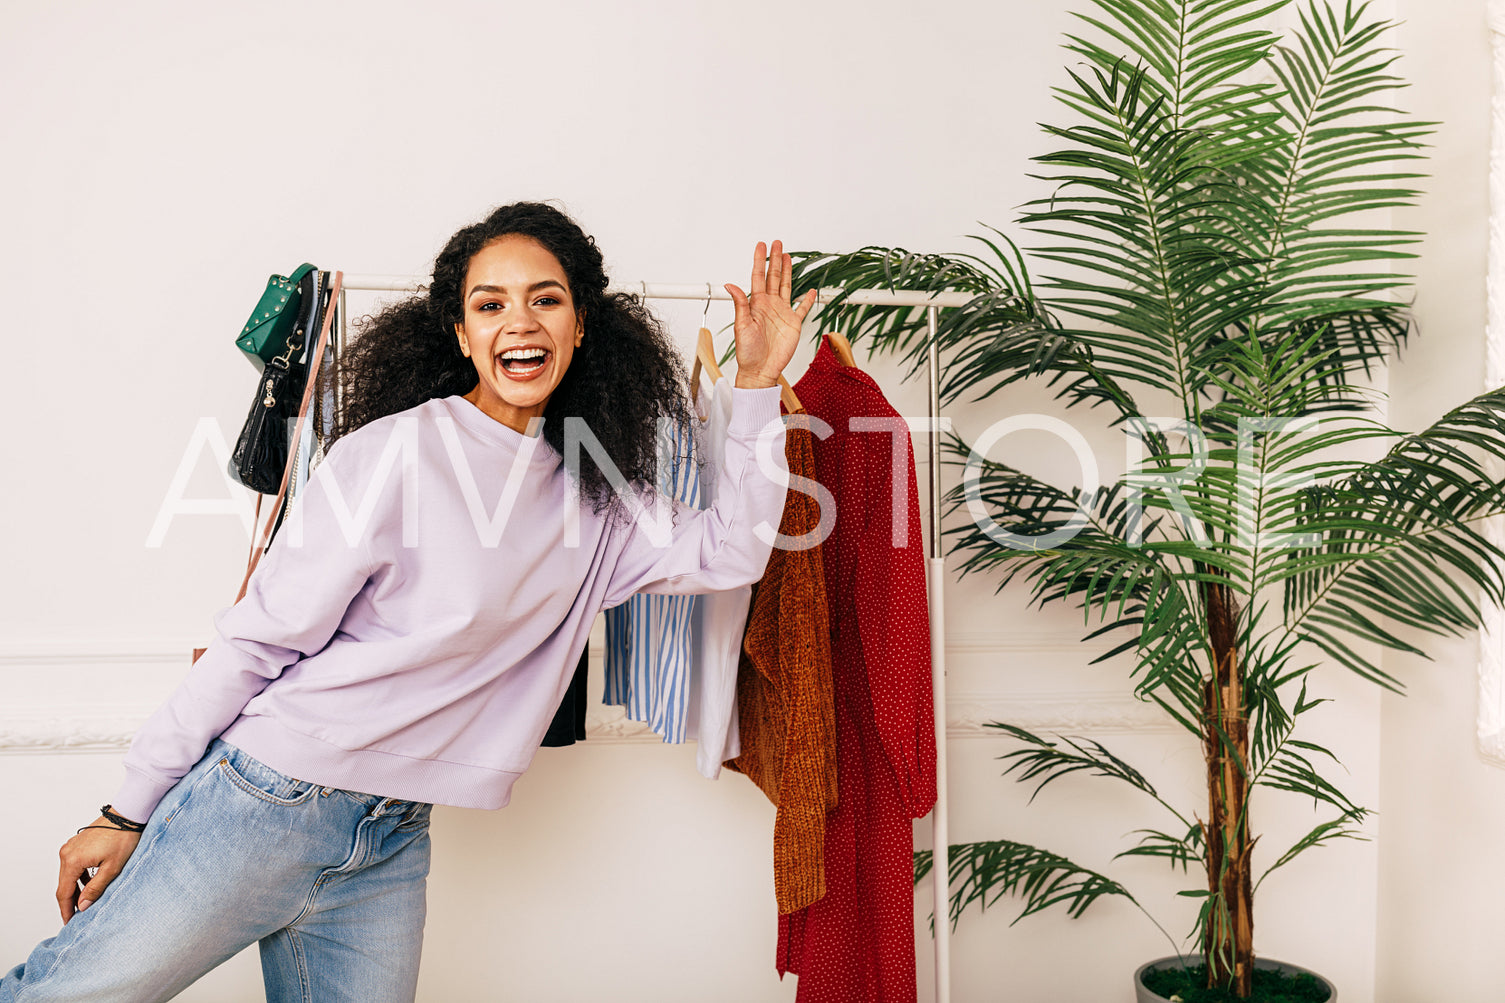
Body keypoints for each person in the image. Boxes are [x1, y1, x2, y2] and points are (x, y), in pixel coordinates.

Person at [1, 201, 814, 1003]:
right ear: (461, 335)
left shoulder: (595, 493)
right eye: (489, 304)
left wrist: (754, 384)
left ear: (580, 326)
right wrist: (126, 809)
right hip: (264, 802)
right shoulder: (392, 455)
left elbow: (731, 551)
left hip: (392, 838)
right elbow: (254, 643)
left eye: (545, 298)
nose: (518, 322)